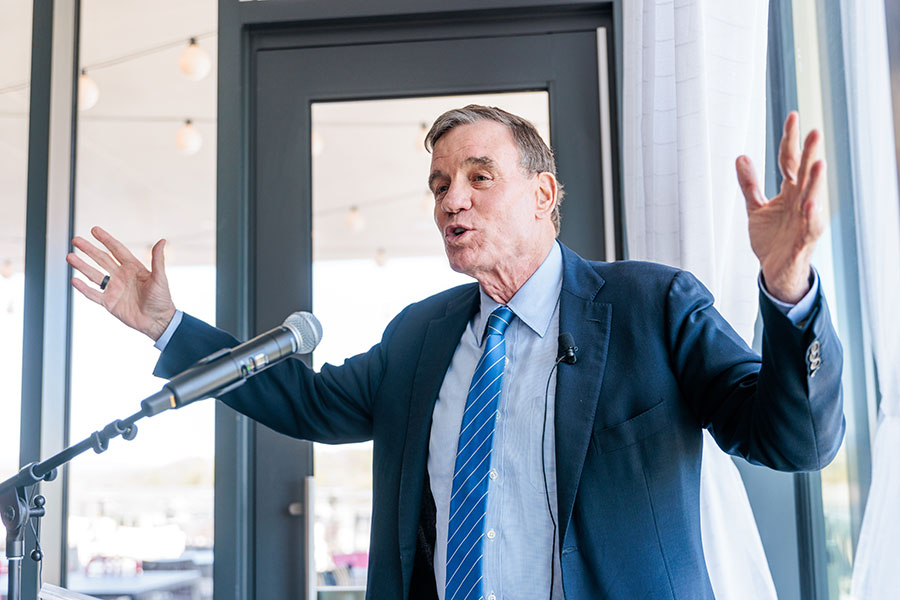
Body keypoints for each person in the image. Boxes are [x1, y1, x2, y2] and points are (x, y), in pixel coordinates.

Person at [68, 105, 843, 599]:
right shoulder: (421, 335)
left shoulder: (654, 304)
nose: (452, 199)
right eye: (440, 184)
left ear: (544, 196)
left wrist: (789, 288)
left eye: (480, 176)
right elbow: (305, 400)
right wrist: (171, 329)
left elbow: (794, 438)